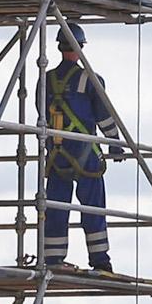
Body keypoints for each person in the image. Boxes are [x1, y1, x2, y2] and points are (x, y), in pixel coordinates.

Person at [38, 22, 125, 275]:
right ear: (80, 48)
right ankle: (100, 261)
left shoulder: (46, 80)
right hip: (85, 154)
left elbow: (40, 113)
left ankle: (53, 259)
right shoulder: (90, 79)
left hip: (56, 153)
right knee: (93, 208)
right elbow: (104, 116)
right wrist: (116, 144)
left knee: (56, 206)